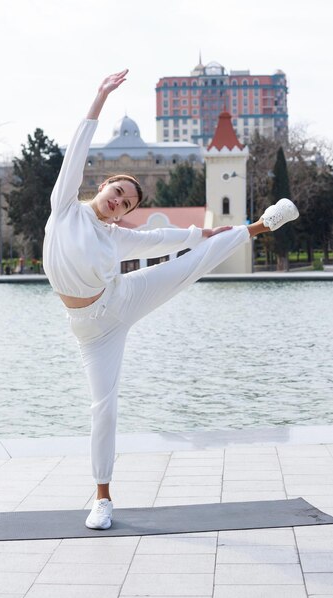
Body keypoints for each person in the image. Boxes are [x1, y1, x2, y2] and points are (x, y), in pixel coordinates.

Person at [43, 69, 299, 530]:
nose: (119, 201)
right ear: (101, 187)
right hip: (91, 332)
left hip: (118, 301)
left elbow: (158, 238)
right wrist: (99, 96)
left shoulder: (116, 238)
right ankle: (102, 496)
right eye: (117, 191)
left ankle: (259, 225)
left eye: (127, 202)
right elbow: (79, 148)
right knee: (104, 406)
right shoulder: (65, 207)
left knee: (186, 266)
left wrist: (204, 231)